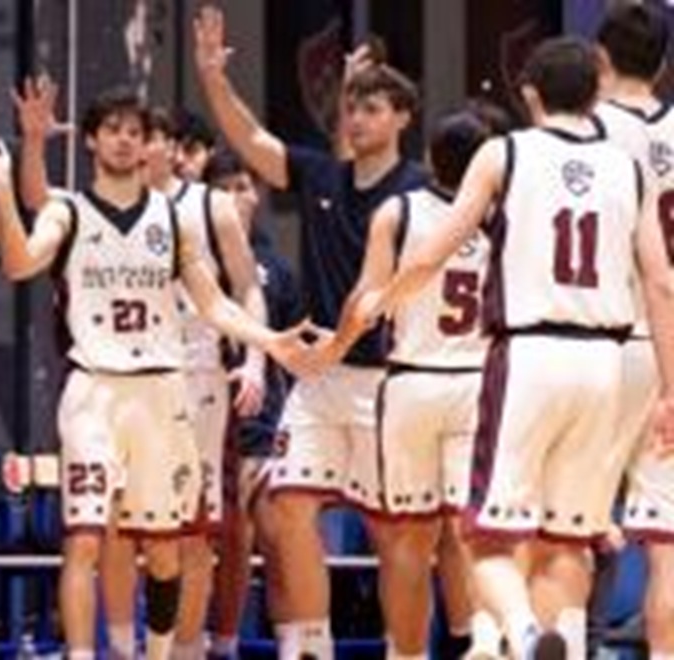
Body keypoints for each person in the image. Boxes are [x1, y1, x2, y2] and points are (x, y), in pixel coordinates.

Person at [319, 37, 674, 660]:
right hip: (606, 361)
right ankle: (557, 642)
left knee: (484, 536)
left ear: (529, 93)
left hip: (528, 355)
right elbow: (661, 284)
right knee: (568, 541)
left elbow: (433, 251)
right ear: (595, 91)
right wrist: (670, 389)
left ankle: (523, 631)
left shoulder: (503, 153)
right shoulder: (631, 169)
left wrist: (385, 298)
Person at [0, 86, 317, 660]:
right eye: (112, 129)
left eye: (134, 131)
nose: (124, 139)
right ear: (91, 139)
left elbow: (214, 303)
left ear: (148, 145)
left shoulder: (174, 220)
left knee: (168, 551)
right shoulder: (68, 212)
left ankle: (162, 652)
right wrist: (1, 186)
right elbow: (19, 263)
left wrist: (267, 342)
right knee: (85, 541)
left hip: (164, 393)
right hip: (93, 389)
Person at [194, 6, 427, 657]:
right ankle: (311, 647)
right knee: (288, 507)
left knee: (394, 534)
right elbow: (252, 140)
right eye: (351, 107)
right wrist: (213, 78)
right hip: (320, 381)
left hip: (389, 383)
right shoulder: (323, 174)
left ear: (403, 118)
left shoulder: (420, 192)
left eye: (373, 108)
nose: (357, 118)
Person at [312, 111, 499, 659]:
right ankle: (482, 644)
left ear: (430, 160)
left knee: (408, 540)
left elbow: (365, 299)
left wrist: (333, 349)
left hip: (411, 385)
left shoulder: (398, 211)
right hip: (477, 385)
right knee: (472, 534)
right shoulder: (504, 216)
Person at [98, 107, 267, 660]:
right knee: (117, 525)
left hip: (197, 382)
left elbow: (247, 286)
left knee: (195, 532)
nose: (135, 145)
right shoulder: (100, 209)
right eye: (125, 135)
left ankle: (186, 652)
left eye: (146, 136)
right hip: (121, 379)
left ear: (170, 148)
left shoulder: (211, 207)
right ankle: (122, 650)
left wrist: (256, 360)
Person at [202, 148, 305, 659]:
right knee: (226, 543)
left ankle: (295, 647)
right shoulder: (192, 256)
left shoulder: (275, 270)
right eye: (223, 188)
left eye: (243, 187)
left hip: (263, 422)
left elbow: (293, 348)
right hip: (202, 417)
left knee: (278, 537)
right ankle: (219, 646)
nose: (234, 197)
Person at [595, 3, 674, 654]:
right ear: (665, 62)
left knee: (564, 528)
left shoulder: (585, 128)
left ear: (599, 58)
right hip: (665, 342)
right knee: (667, 548)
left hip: (592, 340)